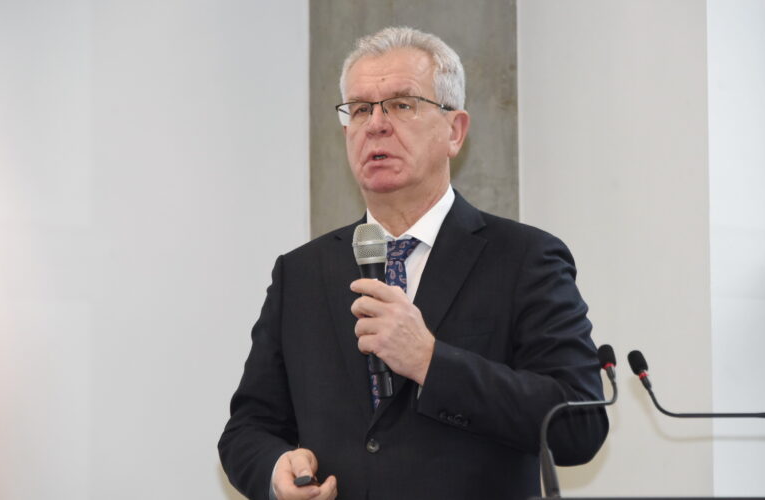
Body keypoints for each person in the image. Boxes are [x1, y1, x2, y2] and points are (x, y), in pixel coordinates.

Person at [219, 26, 608, 500]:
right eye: (359, 109)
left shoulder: (525, 259)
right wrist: (276, 469)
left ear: (454, 131)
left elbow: (578, 424)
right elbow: (248, 429)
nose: (376, 125)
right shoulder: (300, 273)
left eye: (402, 105)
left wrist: (430, 361)